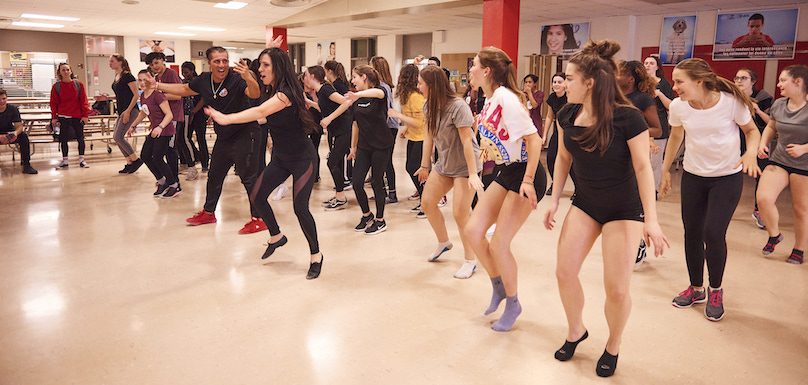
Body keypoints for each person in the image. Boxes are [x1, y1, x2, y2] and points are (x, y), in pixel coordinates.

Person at [543, 39, 668, 378]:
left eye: (569, 78)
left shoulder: (628, 118)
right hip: (585, 203)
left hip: (623, 209)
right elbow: (563, 159)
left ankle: (613, 344)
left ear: (590, 83)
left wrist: (651, 221)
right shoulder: (567, 113)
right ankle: (576, 330)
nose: (562, 84)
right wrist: (554, 199)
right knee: (564, 272)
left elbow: (643, 168)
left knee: (617, 288)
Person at [206, 47, 324, 279]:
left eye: (265, 65)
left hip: (302, 159)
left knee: (300, 208)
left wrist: (226, 118)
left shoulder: (286, 93)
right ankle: (277, 236)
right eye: (260, 64)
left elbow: (261, 110)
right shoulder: (273, 91)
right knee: (257, 196)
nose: (260, 69)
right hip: (281, 158)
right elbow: (262, 114)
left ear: (278, 67)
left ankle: (316, 255)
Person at [660, 58, 761, 322]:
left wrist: (751, 154)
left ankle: (716, 289)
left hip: (726, 178)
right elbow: (676, 136)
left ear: (699, 81)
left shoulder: (730, 103)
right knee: (691, 232)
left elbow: (751, 131)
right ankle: (696, 289)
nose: (675, 87)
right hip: (694, 177)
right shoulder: (680, 107)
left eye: (680, 81)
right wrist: (665, 170)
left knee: (713, 233)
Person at [147, 40, 279, 234]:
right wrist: (157, 85)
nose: (222, 65)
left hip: (246, 134)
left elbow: (254, 92)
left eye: (225, 60)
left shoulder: (237, 78)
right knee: (214, 175)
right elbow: (184, 89)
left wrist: (248, 77)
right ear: (209, 63)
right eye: (217, 61)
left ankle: (259, 218)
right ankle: (209, 212)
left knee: (249, 178)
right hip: (224, 136)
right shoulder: (203, 80)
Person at [463, 46, 546, 332]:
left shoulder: (506, 99)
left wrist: (528, 181)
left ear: (486, 70)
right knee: (473, 231)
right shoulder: (488, 99)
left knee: (499, 243)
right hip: (506, 170)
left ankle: (513, 302)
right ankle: (498, 286)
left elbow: (534, 141)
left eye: (473, 64)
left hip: (525, 174)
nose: (470, 69)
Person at [392, 65, 482, 278]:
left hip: (464, 166)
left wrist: (473, 173)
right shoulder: (428, 106)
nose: (418, 86)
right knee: (427, 202)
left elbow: (467, 141)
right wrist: (425, 166)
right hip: (445, 164)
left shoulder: (458, 106)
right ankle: (444, 242)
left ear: (431, 85)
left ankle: (471, 260)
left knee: (460, 213)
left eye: (421, 83)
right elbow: (429, 138)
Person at [322, 65, 393, 235]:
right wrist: (353, 147)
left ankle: (380, 220)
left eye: (355, 77)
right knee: (357, 182)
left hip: (381, 145)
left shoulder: (379, 91)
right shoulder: (356, 99)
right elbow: (355, 124)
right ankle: (367, 215)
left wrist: (357, 95)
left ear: (364, 78)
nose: (352, 80)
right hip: (364, 146)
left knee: (377, 182)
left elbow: (379, 93)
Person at [756, 65, 808, 265]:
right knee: (763, 199)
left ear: (798, 82)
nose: (778, 85)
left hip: (803, 165)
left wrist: (804, 148)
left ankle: (799, 248)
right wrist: (763, 143)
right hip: (779, 159)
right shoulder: (779, 104)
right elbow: (771, 125)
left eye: (783, 80)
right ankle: (774, 235)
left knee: (800, 209)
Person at [617, 60, 664, 269]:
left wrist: (636, 132)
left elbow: (657, 129)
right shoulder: (614, 97)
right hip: (617, 157)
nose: (615, 76)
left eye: (620, 73)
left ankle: (640, 244)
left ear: (630, 78)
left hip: (636, 157)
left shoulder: (643, 99)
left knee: (636, 202)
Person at [125, 70, 179, 198]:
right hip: (154, 130)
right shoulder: (143, 95)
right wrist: (133, 125)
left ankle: (173, 185)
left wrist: (160, 127)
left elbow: (169, 114)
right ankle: (161, 181)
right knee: (145, 156)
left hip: (164, 130)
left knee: (158, 157)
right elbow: (144, 112)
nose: (142, 83)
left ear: (151, 80)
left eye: (145, 80)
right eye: (140, 80)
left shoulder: (157, 95)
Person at [734, 68, 774, 229]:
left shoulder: (764, 98)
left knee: (761, 176)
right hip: (735, 142)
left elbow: (771, 122)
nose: (739, 81)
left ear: (753, 81)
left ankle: (759, 210)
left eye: (744, 78)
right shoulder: (731, 97)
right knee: (730, 174)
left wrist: (756, 110)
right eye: (737, 78)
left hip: (757, 142)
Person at [389, 64, 426, 210]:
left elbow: (420, 122)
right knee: (411, 167)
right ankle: (425, 198)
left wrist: (398, 116)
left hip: (422, 138)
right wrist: (406, 128)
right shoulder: (407, 95)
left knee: (414, 168)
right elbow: (413, 119)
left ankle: (427, 200)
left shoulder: (416, 97)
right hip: (414, 136)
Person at [146, 52, 184, 187]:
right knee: (162, 151)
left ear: (163, 60)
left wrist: (160, 97)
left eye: (156, 62)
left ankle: (175, 181)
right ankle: (169, 179)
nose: (154, 66)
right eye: (151, 65)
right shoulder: (156, 78)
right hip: (161, 120)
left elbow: (178, 95)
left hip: (172, 117)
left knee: (170, 149)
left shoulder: (171, 74)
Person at [49, 63, 91, 169]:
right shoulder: (56, 87)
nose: (66, 72)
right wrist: (54, 117)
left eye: (67, 69)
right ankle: (65, 160)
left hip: (77, 116)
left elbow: (84, 101)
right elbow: (53, 103)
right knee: (63, 139)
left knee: (80, 138)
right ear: (60, 72)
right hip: (63, 117)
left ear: (71, 71)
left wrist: (85, 115)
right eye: (63, 70)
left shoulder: (78, 85)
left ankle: (82, 160)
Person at [370, 56, 400, 203]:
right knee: (380, 161)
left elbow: (386, 111)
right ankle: (380, 191)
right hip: (384, 127)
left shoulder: (383, 87)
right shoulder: (377, 86)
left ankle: (392, 193)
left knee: (386, 161)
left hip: (389, 127)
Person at [644, 55, 675, 190]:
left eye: (651, 63)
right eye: (646, 63)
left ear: (657, 67)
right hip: (642, 127)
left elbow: (671, 106)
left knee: (655, 162)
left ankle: (654, 189)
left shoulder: (664, 84)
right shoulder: (640, 84)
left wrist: (660, 94)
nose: (648, 65)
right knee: (642, 161)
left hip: (659, 127)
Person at [109, 54, 143, 174]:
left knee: (118, 137)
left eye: (112, 61)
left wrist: (128, 111)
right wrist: (105, 98)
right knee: (116, 137)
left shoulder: (128, 76)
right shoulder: (117, 76)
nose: (110, 63)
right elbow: (121, 95)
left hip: (130, 110)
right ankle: (129, 162)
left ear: (120, 62)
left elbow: (136, 94)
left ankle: (136, 160)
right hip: (121, 110)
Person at [323, 60, 353, 191]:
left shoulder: (338, 86)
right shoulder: (335, 85)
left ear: (329, 71)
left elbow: (346, 104)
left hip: (343, 125)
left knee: (339, 156)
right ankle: (342, 181)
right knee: (336, 156)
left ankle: (345, 180)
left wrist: (330, 117)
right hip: (337, 126)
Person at [543, 72, 571, 196]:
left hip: (570, 132)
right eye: (554, 82)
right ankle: (555, 183)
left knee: (572, 161)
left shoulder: (570, 97)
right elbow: (549, 116)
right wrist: (544, 135)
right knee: (550, 158)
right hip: (557, 132)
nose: (556, 84)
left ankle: (580, 190)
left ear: (565, 84)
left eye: (559, 82)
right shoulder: (552, 97)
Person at [180, 62, 209, 173]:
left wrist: (194, 111)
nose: (184, 74)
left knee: (201, 139)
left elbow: (203, 99)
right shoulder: (185, 83)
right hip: (188, 114)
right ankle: (193, 157)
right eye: (183, 72)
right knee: (184, 138)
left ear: (192, 71)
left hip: (200, 114)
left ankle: (205, 164)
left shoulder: (199, 82)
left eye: (186, 72)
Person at [0, 89, 37, 174]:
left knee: (23, 137)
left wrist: (15, 133)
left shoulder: (13, 109)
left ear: (7, 98)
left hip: (9, 133)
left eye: (3, 99)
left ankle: (27, 166)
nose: (1, 101)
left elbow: (19, 126)